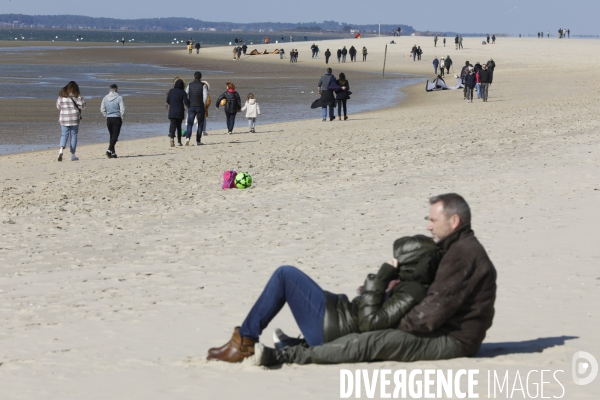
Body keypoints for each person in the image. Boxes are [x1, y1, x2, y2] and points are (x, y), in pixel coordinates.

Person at [207, 194, 497, 367]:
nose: (428, 225)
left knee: (368, 342)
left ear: (454, 222)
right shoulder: (455, 249)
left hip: (455, 340)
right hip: (444, 329)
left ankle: (257, 346)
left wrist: (387, 314)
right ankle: (263, 343)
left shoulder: (464, 255)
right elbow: (428, 299)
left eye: (433, 220)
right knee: (366, 336)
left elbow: (431, 312)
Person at [56, 81, 86, 161]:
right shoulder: (77, 95)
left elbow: (58, 106)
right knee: (74, 135)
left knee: (64, 134)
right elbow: (83, 106)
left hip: (64, 117)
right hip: (74, 117)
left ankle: (61, 149)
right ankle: (73, 154)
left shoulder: (61, 96)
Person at [100, 84, 125, 158]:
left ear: (110, 90)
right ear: (116, 89)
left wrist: (106, 116)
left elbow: (102, 109)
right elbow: (122, 109)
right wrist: (122, 118)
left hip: (109, 118)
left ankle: (113, 153)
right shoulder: (119, 98)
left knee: (112, 136)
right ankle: (109, 150)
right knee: (115, 136)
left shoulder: (105, 98)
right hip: (117, 118)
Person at [184, 71, 208, 146]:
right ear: (201, 77)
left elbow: (185, 95)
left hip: (191, 106)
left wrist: (187, 104)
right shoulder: (203, 85)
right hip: (200, 106)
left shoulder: (190, 85)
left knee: (190, 123)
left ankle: (188, 137)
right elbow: (205, 97)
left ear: (194, 76)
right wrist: (203, 105)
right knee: (200, 123)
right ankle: (198, 140)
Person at [166, 78, 189, 147]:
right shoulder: (183, 92)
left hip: (172, 111)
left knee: (173, 126)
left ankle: (172, 139)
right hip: (180, 111)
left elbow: (167, 100)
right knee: (179, 127)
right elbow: (186, 102)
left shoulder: (171, 91)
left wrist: (172, 102)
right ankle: (179, 142)